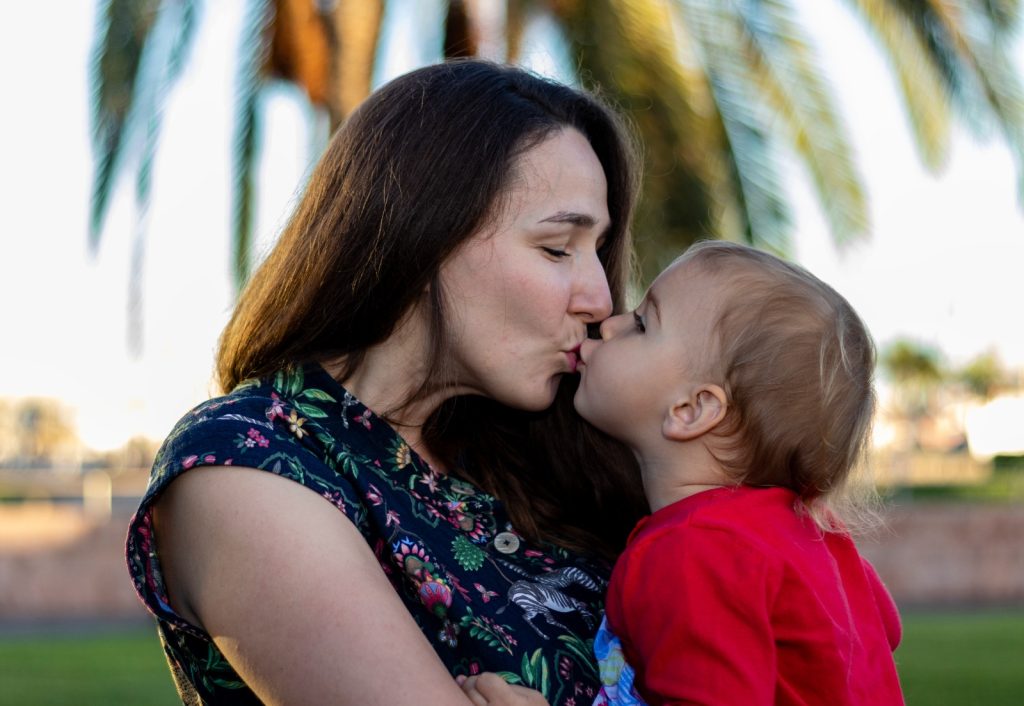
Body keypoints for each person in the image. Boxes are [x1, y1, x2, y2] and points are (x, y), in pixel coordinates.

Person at [125, 59, 649, 705]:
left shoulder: (550, 457)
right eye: (556, 248)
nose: (599, 297)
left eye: (598, 251)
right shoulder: (251, 464)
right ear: (423, 232)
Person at [460, 240, 905, 705]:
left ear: (692, 409)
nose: (609, 324)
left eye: (641, 324)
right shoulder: (810, 535)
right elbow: (882, 631)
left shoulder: (695, 550)